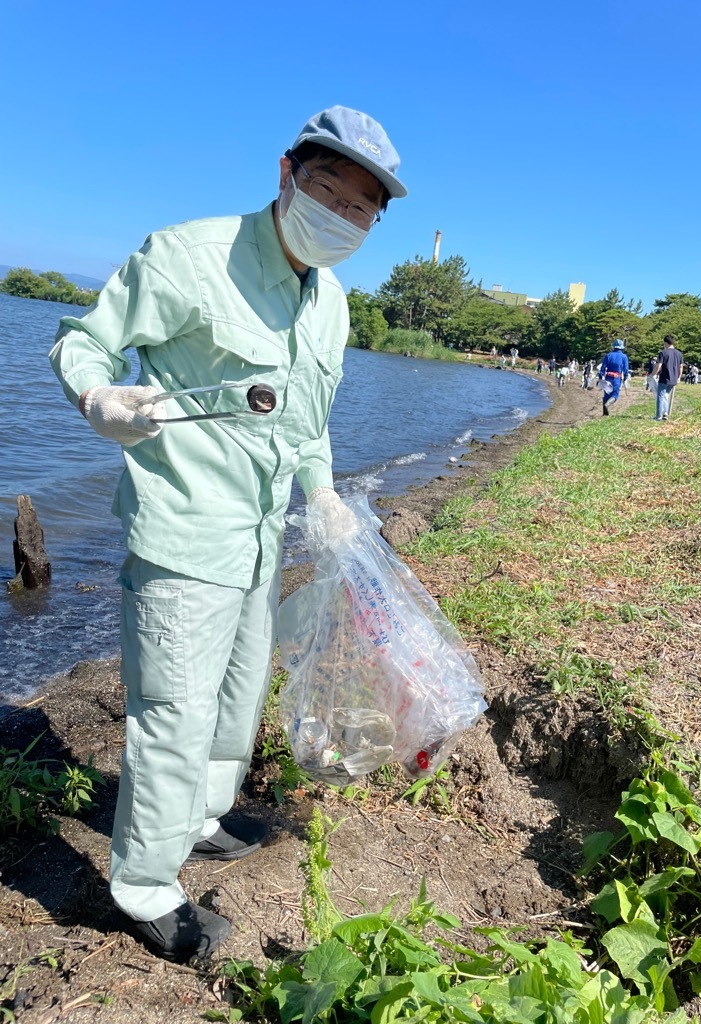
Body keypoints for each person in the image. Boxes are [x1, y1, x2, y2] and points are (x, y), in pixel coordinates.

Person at [48, 106, 407, 963]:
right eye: (330, 189)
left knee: (237, 699)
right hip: (182, 531)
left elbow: (310, 425)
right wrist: (99, 399)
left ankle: (199, 818)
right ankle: (144, 888)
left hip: (259, 538)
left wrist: (321, 495)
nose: (343, 215)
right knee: (173, 712)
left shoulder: (333, 308)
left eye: (363, 208)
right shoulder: (189, 257)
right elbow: (86, 342)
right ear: (287, 173)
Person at [652, 334, 684, 420]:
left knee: (660, 396)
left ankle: (658, 415)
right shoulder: (679, 353)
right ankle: (665, 413)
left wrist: (652, 375)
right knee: (666, 395)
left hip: (664, 377)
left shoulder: (663, 353)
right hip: (674, 379)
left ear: (666, 343)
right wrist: (679, 377)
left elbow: (659, 366)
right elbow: (681, 367)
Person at [598, 339, 629, 415]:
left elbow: (603, 367)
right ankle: (607, 405)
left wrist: (600, 375)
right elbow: (625, 369)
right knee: (615, 394)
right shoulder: (624, 357)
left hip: (608, 377)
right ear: (621, 347)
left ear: (614, 347)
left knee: (606, 394)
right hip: (616, 377)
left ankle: (605, 413)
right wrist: (625, 376)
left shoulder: (608, 355)